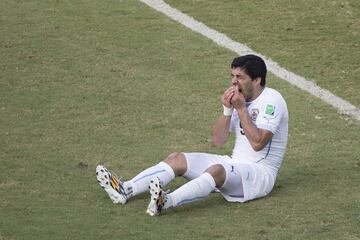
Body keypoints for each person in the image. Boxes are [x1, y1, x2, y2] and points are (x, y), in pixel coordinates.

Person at [95, 54, 289, 216]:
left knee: (216, 170)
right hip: (234, 163)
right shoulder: (240, 101)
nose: (233, 82)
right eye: (232, 76)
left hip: (259, 176)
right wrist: (227, 110)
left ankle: (166, 201)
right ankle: (125, 190)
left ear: (256, 80)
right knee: (177, 159)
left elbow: (257, 143)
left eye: (240, 77)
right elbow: (217, 140)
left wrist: (241, 110)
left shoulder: (272, 100)